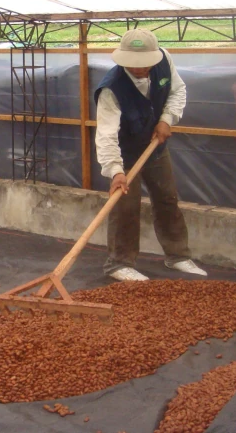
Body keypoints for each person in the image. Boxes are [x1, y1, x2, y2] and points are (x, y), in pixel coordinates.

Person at [94, 29, 207, 281]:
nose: (140, 69)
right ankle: (118, 263)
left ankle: (177, 256)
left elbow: (178, 91)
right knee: (125, 206)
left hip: (154, 146)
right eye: (134, 65)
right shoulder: (111, 90)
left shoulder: (164, 61)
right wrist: (116, 171)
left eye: (145, 64)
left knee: (167, 198)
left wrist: (167, 119)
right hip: (124, 153)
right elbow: (106, 134)